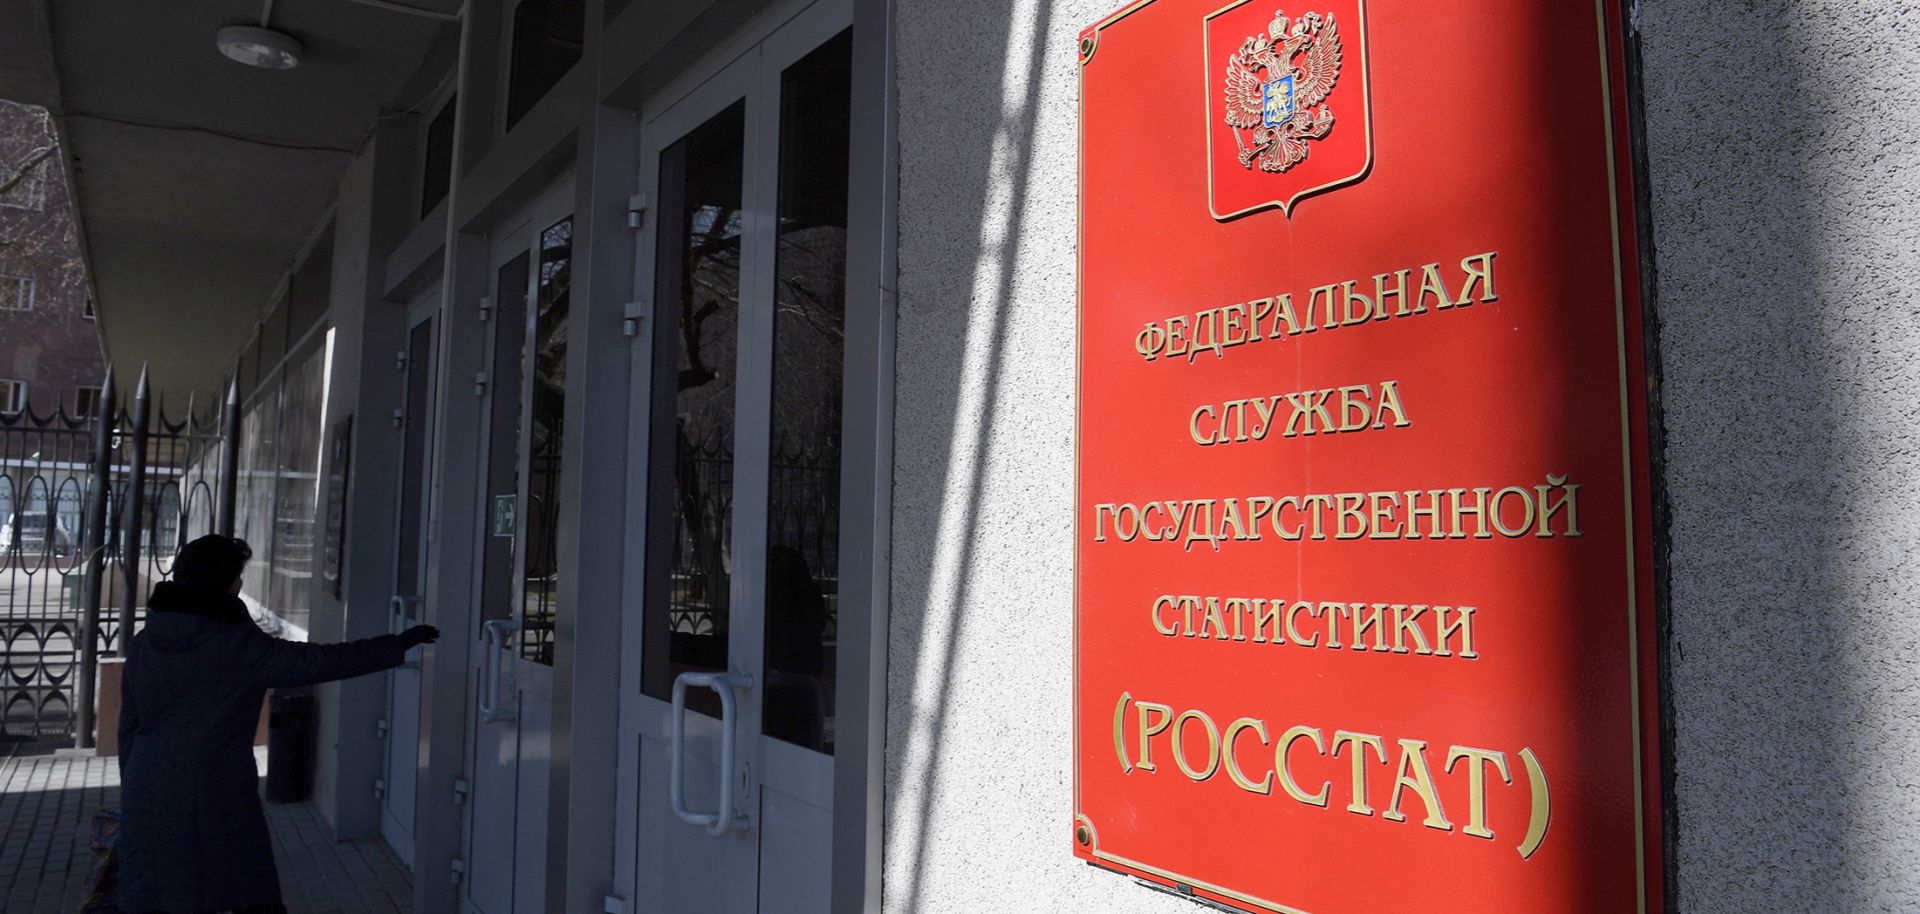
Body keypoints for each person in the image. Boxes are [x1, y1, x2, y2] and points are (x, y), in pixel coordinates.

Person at [116, 534, 438, 914]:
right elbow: (318, 662)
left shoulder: (145, 641)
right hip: (216, 788)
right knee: (245, 891)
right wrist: (396, 645)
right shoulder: (235, 645)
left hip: (147, 783)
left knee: (157, 891)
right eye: (237, 576)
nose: (240, 584)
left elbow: (129, 727)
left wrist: (136, 782)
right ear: (227, 584)